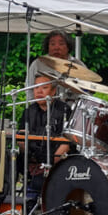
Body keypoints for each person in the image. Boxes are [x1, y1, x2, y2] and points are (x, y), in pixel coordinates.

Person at [18, 74, 73, 204]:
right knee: (7, 163)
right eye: (36, 88)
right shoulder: (29, 111)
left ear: (53, 91)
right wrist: (28, 157)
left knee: (40, 181)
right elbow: (20, 138)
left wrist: (50, 165)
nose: (39, 91)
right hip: (32, 160)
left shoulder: (64, 110)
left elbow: (67, 142)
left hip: (55, 162)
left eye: (44, 88)